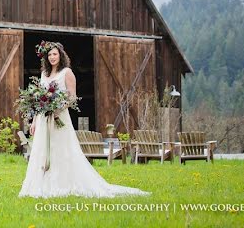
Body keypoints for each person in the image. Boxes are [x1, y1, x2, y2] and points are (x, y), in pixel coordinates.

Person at [19, 41, 150, 198]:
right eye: (49, 55)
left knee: (61, 149)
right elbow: (40, 99)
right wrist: (34, 121)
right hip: (42, 119)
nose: (52, 57)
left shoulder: (66, 72)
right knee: (42, 150)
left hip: (59, 117)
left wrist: (56, 109)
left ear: (60, 56)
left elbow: (72, 97)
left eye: (55, 54)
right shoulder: (43, 74)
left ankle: (62, 183)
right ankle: (40, 184)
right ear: (46, 58)